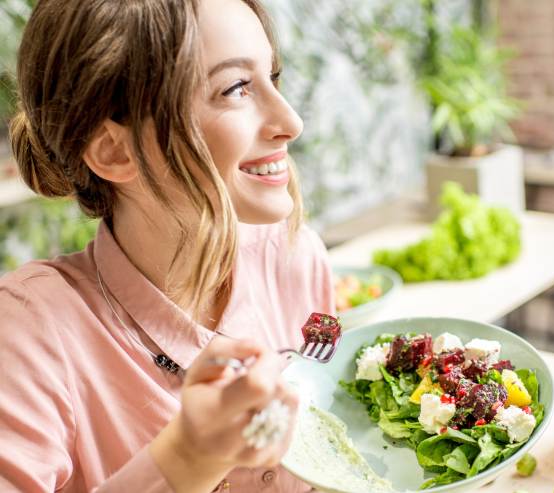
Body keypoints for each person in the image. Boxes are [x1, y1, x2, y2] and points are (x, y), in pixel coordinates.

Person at [0, 0, 335, 491]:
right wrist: (188, 456)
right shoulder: (29, 332)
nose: (291, 120)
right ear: (114, 151)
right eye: (236, 88)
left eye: (273, 77)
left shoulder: (295, 258)